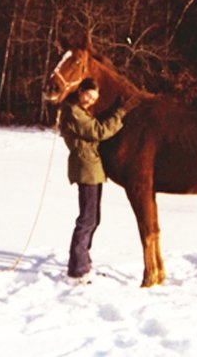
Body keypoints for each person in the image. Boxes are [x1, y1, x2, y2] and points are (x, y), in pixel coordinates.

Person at [59, 77, 136, 282]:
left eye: (94, 98)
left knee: (93, 218)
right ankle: (77, 269)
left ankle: (82, 260)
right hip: (87, 169)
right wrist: (121, 113)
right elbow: (98, 131)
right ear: (81, 91)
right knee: (87, 219)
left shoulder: (80, 110)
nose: (91, 101)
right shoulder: (74, 112)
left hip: (92, 168)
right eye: (88, 96)